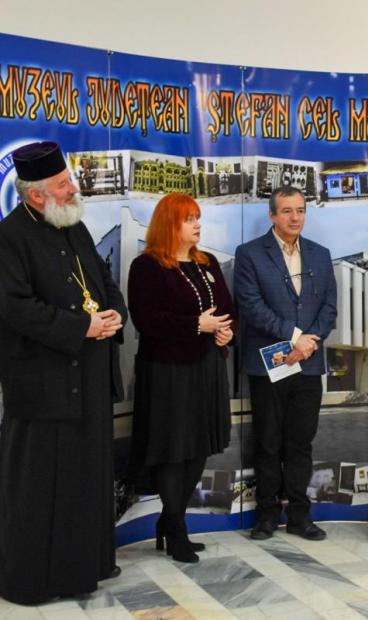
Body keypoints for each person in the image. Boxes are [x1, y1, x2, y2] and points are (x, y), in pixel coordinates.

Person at [0, 141, 126, 604]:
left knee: (83, 480)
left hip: (88, 380)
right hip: (42, 383)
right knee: (37, 485)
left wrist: (114, 315)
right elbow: (16, 308)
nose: (73, 188)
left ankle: (83, 569)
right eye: (62, 183)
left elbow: (104, 281)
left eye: (69, 180)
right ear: (36, 195)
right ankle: (32, 580)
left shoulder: (74, 226)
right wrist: (82, 327)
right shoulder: (9, 237)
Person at [127, 193, 235, 563]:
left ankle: (170, 520)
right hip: (168, 371)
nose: (197, 225)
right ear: (169, 224)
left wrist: (226, 331)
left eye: (197, 218)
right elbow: (147, 321)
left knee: (199, 446)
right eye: (189, 219)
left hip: (207, 366)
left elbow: (227, 309)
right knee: (173, 449)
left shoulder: (208, 263)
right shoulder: (147, 266)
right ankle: (175, 528)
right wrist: (195, 324)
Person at [235, 186, 337, 541]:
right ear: (272, 215)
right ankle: (266, 515)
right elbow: (251, 306)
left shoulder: (321, 255)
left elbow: (329, 309)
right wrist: (295, 337)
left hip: (307, 364)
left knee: (300, 443)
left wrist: (307, 344)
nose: (295, 217)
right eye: (287, 211)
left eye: (300, 210)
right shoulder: (250, 254)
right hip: (270, 363)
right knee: (268, 442)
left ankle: (299, 516)